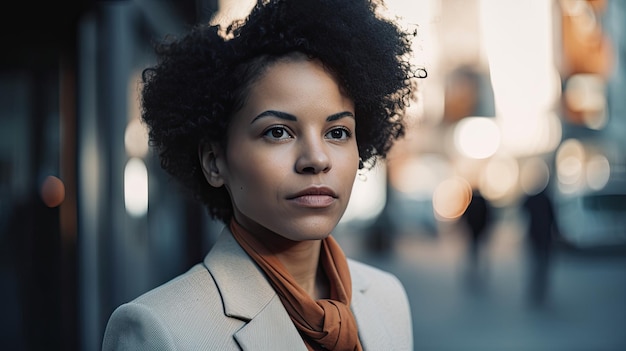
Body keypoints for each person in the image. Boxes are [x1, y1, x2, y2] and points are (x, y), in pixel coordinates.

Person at [102, 0, 420, 350]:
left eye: (337, 132)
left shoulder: (388, 298)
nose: (316, 159)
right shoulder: (159, 329)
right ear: (214, 161)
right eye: (278, 132)